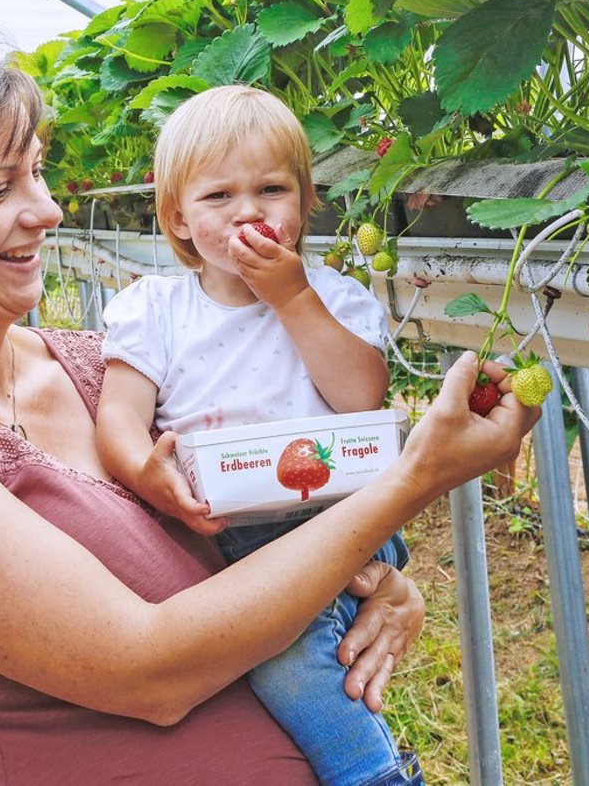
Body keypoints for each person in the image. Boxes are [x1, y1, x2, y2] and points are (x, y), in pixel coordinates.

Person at [0, 0, 540, 786]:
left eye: (40, 172)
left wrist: (374, 581)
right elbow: (148, 671)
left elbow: (263, 535)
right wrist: (413, 480)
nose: (48, 210)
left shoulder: (99, 365)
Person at [96, 85, 411, 786]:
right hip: (223, 527)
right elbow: (118, 416)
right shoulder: (156, 308)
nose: (248, 212)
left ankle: (374, 774)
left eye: (272, 189)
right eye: (218, 198)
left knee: (286, 657)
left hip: (336, 514)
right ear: (177, 216)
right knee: (272, 652)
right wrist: (145, 473)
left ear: (303, 200)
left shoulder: (334, 297)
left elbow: (361, 397)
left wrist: (293, 298)